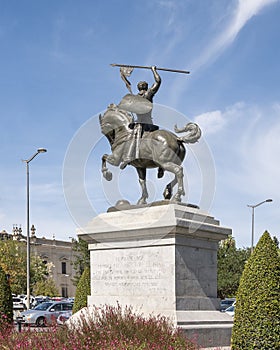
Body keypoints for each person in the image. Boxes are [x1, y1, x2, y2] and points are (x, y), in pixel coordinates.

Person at [120, 66, 161, 170]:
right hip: (146, 122)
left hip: (143, 123)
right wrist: (154, 70)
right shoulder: (142, 96)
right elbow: (158, 81)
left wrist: (153, 70)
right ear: (145, 87)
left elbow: (158, 82)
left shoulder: (147, 94)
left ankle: (128, 157)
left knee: (131, 136)